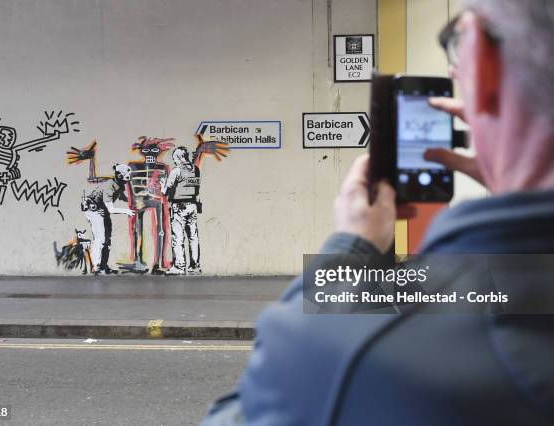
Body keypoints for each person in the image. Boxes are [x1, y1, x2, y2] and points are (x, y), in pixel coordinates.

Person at [202, 1, 554, 424]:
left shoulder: (348, 344)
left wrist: (351, 249)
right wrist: (519, 188)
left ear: (480, 55)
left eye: (456, 42)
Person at [83, 164, 135, 275]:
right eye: (127, 176)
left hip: (103, 211)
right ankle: (96, 266)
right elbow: (110, 209)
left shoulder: (119, 185)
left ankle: (103, 266)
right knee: (100, 239)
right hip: (95, 211)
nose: (128, 178)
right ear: (120, 176)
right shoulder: (109, 186)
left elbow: (121, 196)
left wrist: (136, 203)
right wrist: (127, 211)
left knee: (107, 240)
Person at [163, 147, 202, 275]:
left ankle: (179, 266)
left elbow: (165, 191)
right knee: (193, 237)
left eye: (174, 158)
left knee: (178, 238)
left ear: (179, 157)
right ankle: (195, 266)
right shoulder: (196, 169)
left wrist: (163, 183)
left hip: (179, 207)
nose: (174, 161)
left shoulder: (176, 171)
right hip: (193, 205)